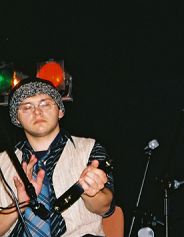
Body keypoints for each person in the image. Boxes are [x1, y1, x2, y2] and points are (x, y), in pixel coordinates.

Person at [0, 77, 115, 236]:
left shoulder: (89, 148)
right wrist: (19, 204)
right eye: (26, 107)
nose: (37, 111)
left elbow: (105, 208)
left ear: (60, 111)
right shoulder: (2, 162)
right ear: (16, 119)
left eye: (45, 103)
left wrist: (91, 192)